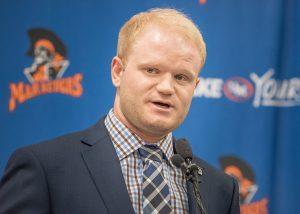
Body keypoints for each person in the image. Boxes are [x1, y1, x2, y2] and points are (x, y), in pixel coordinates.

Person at [0, 8, 240, 214]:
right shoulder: (45, 169)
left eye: (181, 77)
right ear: (117, 71)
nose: (167, 87)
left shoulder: (221, 189)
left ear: (195, 87)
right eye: (152, 70)